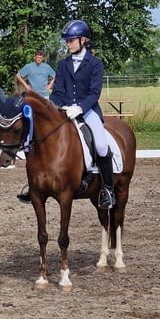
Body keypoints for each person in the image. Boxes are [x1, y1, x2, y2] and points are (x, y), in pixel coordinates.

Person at [18, 19, 114, 209]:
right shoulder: (63, 64)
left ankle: (107, 190)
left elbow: (95, 93)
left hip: (87, 111)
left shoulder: (95, 64)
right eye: (67, 41)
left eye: (71, 40)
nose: (68, 44)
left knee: (102, 145)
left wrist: (80, 108)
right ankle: (34, 185)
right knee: (37, 138)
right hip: (64, 110)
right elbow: (59, 90)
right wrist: (54, 108)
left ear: (83, 40)